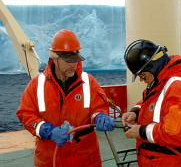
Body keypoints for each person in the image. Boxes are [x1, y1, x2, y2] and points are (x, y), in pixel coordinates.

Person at [16, 29, 115, 167]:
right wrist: (47, 130)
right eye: (68, 61)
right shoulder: (37, 85)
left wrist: (100, 116)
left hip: (85, 160)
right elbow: (25, 114)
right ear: (54, 58)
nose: (73, 65)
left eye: (75, 60)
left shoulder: (89, 82)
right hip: (50, 160)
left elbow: (99, 107)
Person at [122, 39, 181, 167]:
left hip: (175, 162)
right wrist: (135, 112)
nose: (142, 81)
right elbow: (152, 100)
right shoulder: (162, 81)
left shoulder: (179, 89)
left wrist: (141, 131)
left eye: (142, 76)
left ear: (153, 67)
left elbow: (176, 134)